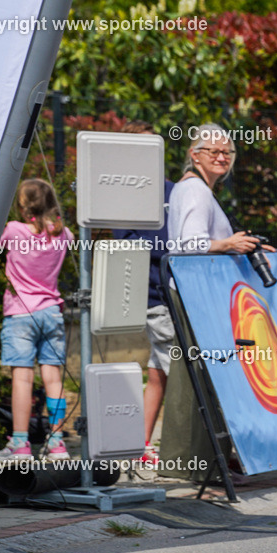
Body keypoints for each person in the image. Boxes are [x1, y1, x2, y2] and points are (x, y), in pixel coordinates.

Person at [0, 179, 74, 462]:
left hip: (20, 313)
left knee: (22, 379)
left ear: (22, 205)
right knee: (54, 379)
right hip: (52, 312)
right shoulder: (64, 234)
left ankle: (20, 444)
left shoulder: (13, 231)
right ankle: (57, 443)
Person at [112, 120, 175, 466]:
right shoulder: (126, 195)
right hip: (156, 300)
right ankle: (182, 450)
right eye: (143, 147)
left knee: (159, 371)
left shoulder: (175, 191)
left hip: (181, 298)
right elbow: (127, 247)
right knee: (179, 372)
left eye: (157, 146)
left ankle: (141, 445)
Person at [168, 123, 273, 255]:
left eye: (226, 152)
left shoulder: (189, 186)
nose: (221, 158)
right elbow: (192, 244)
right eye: (214, 152)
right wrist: (231, 244)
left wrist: (246, 247)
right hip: (200, 273)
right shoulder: (196, 190)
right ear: (195, 155)